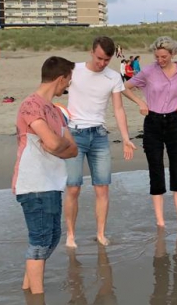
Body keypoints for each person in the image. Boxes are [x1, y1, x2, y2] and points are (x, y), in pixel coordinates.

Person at [13, 56, 78, 295]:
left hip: (52, 182)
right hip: (33, 183)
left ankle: (27, 289)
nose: (68, 86)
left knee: (52, 237)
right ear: (60, 78)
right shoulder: (31, 104)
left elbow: (72, 150)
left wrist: (56, 145)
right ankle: (37, 298)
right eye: (68, 80)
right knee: (40, 242)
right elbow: (53, 142)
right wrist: (57, 145)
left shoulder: (57, 112)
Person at [64, 36, 137, 248]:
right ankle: (70, 235)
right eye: (99, 58)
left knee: (102, 188)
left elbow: (118, 109)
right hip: (74, 134)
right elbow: (53, 90)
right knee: (73, 187)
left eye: (106, 59)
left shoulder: (113, 77)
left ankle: (101, 234)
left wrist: (125, 138)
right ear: (91, 52)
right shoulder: (74, 70)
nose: (102, 63)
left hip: (99, 135)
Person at [125, 36, 177, 227]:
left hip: (174, 122)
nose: (160, 60)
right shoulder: (149, 71)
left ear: (172, 54)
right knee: (156, 169)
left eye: (163, 57)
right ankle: (160, 221)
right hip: (152, 122)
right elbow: (125, 87)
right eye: (157, 56)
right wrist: (141, 103)